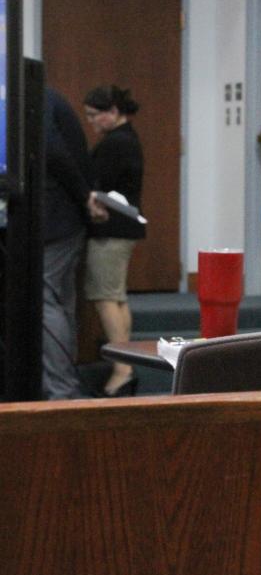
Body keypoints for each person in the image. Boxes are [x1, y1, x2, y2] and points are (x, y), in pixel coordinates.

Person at [82, 85, 145, 397]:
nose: (92, 122)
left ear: (113, 112)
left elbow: (98, 184)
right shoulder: (127, 138)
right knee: (117, 296)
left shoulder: (116, 143)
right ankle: (126, 363)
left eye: (95, 116)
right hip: (125, 230)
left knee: (105, 296)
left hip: (111, 230)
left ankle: (122, 369)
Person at [42, 88, 104, 399]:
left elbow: (52, 151)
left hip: (54, 217)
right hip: (65, 218)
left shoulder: (30, 95)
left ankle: (61, 390)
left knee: (46, 299)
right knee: (61, 302)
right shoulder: (46, 95)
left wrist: (84, 195)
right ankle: (66, 385)